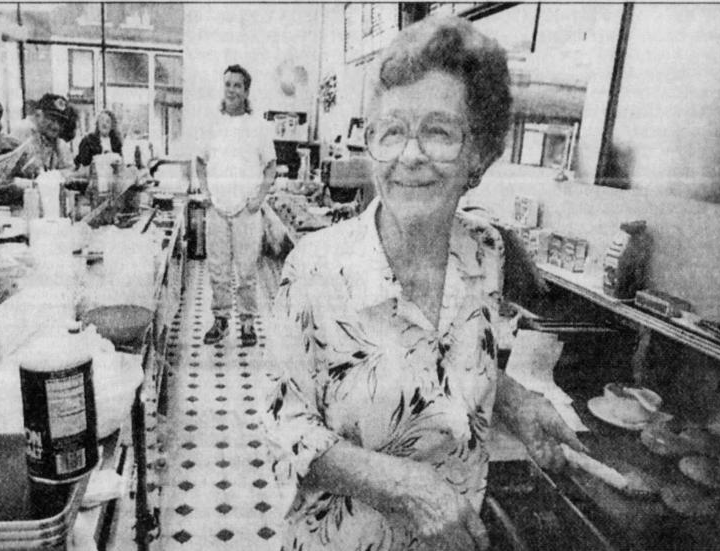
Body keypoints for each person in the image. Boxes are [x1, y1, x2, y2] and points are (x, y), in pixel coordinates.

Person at [262, 16, 586, 551]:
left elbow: (440, 361)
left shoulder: (486, 252)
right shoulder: (315, 270)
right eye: (390, 132)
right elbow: (285, 432)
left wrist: (515, 400)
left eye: (437, 131)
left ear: (478, 155)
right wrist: (403, 487)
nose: (408, 156)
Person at [196, 64, 277, 347]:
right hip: (217, 209)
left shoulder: (259, 127)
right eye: (227, 84)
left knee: (246, 271)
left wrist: (258, 200)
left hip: (247, 211)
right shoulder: (212, 124)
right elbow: (199, 162)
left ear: (246, 91)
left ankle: (247, 323)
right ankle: (220, 321)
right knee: (218, 269)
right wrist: (206, 194)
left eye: (237, 85)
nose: (231, 90)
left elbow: (270, 168)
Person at [10, 93, 75, 177]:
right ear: (38, 115)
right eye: (51, 119)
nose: (56, 126)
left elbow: (70, 170)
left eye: (60, 122)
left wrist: (54, 175)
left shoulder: (58, 142)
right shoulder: (23, 132)